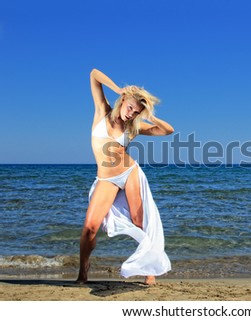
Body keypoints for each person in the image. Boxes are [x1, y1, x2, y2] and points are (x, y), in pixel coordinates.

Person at [76, 68, 173, 285]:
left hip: (129, 173)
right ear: (122, 100)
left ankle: (150, 270)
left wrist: (149, 115)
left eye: (136, 112)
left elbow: (168, 130)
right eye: (130, 108)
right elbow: (93, 74)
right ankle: (83, 270)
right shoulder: (102, 111)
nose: (131, 114)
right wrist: (118, 88)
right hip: (106, 179)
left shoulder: (133, 128)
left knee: (139, 221)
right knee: (90, 228)